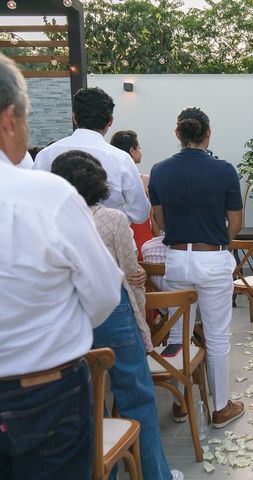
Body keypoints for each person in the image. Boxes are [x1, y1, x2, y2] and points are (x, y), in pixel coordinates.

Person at [0, 53, 122, 479]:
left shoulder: (49, 164)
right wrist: (55, 319)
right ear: (10, 118)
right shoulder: (46, 195)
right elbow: (105, 294)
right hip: (41, 394)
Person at [51, 151, 183, 480]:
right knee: (137, 396)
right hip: (114, 312)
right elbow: (131, 272)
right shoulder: (112, 219)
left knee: (85, 401)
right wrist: (140, 312)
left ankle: (102, 470)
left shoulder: (50, 221)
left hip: (70, 315)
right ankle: (156, 475)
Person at [148, 107, 245, 428]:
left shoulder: (160, 171)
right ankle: (219, 408)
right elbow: (237, 223)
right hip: (212, 256)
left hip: (176, 257)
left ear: (178, 134)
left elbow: (159, 222)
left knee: (178, 334)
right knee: (216, 336)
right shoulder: (224, 171)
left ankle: (181, 404)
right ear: (208, 133)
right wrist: (216, 240)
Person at [33, 87, 149, 224]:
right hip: (107, 241)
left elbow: (34, 203)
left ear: (74, 117)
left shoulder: (46, 155)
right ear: (110, 121)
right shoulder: (121, 159)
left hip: (57, 239)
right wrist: (112, 222)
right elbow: (140, 213)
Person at [111, 129, 159, 259]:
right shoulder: (145, 181)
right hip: (144, 245)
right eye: (139, 148)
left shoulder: (110, 181)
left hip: (118, 246)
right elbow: (155, 226)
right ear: (132, 151)